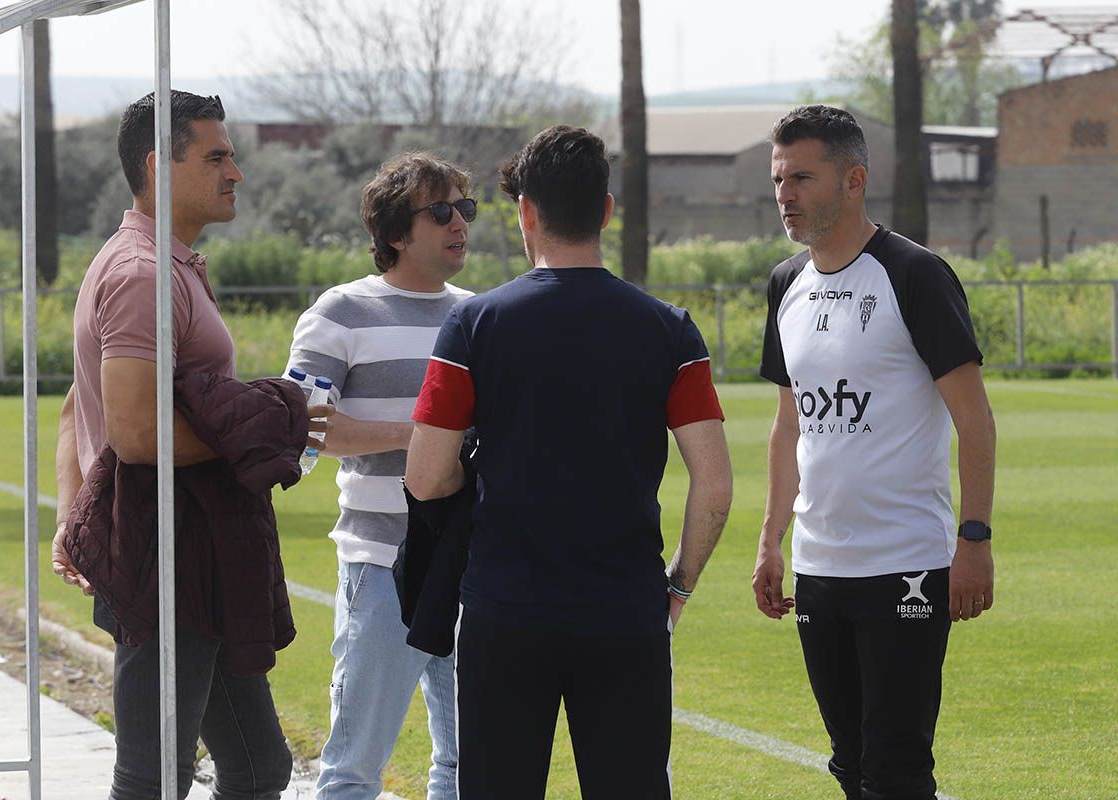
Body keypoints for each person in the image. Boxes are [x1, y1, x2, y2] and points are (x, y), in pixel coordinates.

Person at [405, 125, 734, 800]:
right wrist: (679, 585)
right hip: (624, 609)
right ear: (607, 210)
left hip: (505, 610)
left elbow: (425, 475)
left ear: (526, 211)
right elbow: (716, 486)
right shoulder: (670, 329)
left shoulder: (472, 326)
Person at [51, 90, 300, 799]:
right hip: (165, 557)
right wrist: (262, 430)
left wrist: (72, 515)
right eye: (218, 156)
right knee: (153, 780)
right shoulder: (141, 276)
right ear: (162, 165)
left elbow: (76, 406)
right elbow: (134, 432)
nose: (236, 172)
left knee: (257, 769)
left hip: (191, 555)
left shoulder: (169, 263)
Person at [751, 105, 997, 800]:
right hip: (820, 567)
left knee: (895, 764)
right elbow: (788, 426)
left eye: (802, 177)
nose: (785, 195)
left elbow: (975, 420)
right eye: (778, 179)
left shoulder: (914, 275)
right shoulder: (785, 285)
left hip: (906, 565)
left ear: (853, 179)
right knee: (848, 762)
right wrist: (772, 540)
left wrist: (973, 539)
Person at [283, 153, 471, 799]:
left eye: (465, 209)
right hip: (383, 561)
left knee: (468, 766)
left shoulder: (479, 315)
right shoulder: (342, 312)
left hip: (474, 563)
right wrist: (420, 440)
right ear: (395, 230)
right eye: (441, 210)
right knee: (354, 768)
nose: (460, 223)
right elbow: (300, 428)